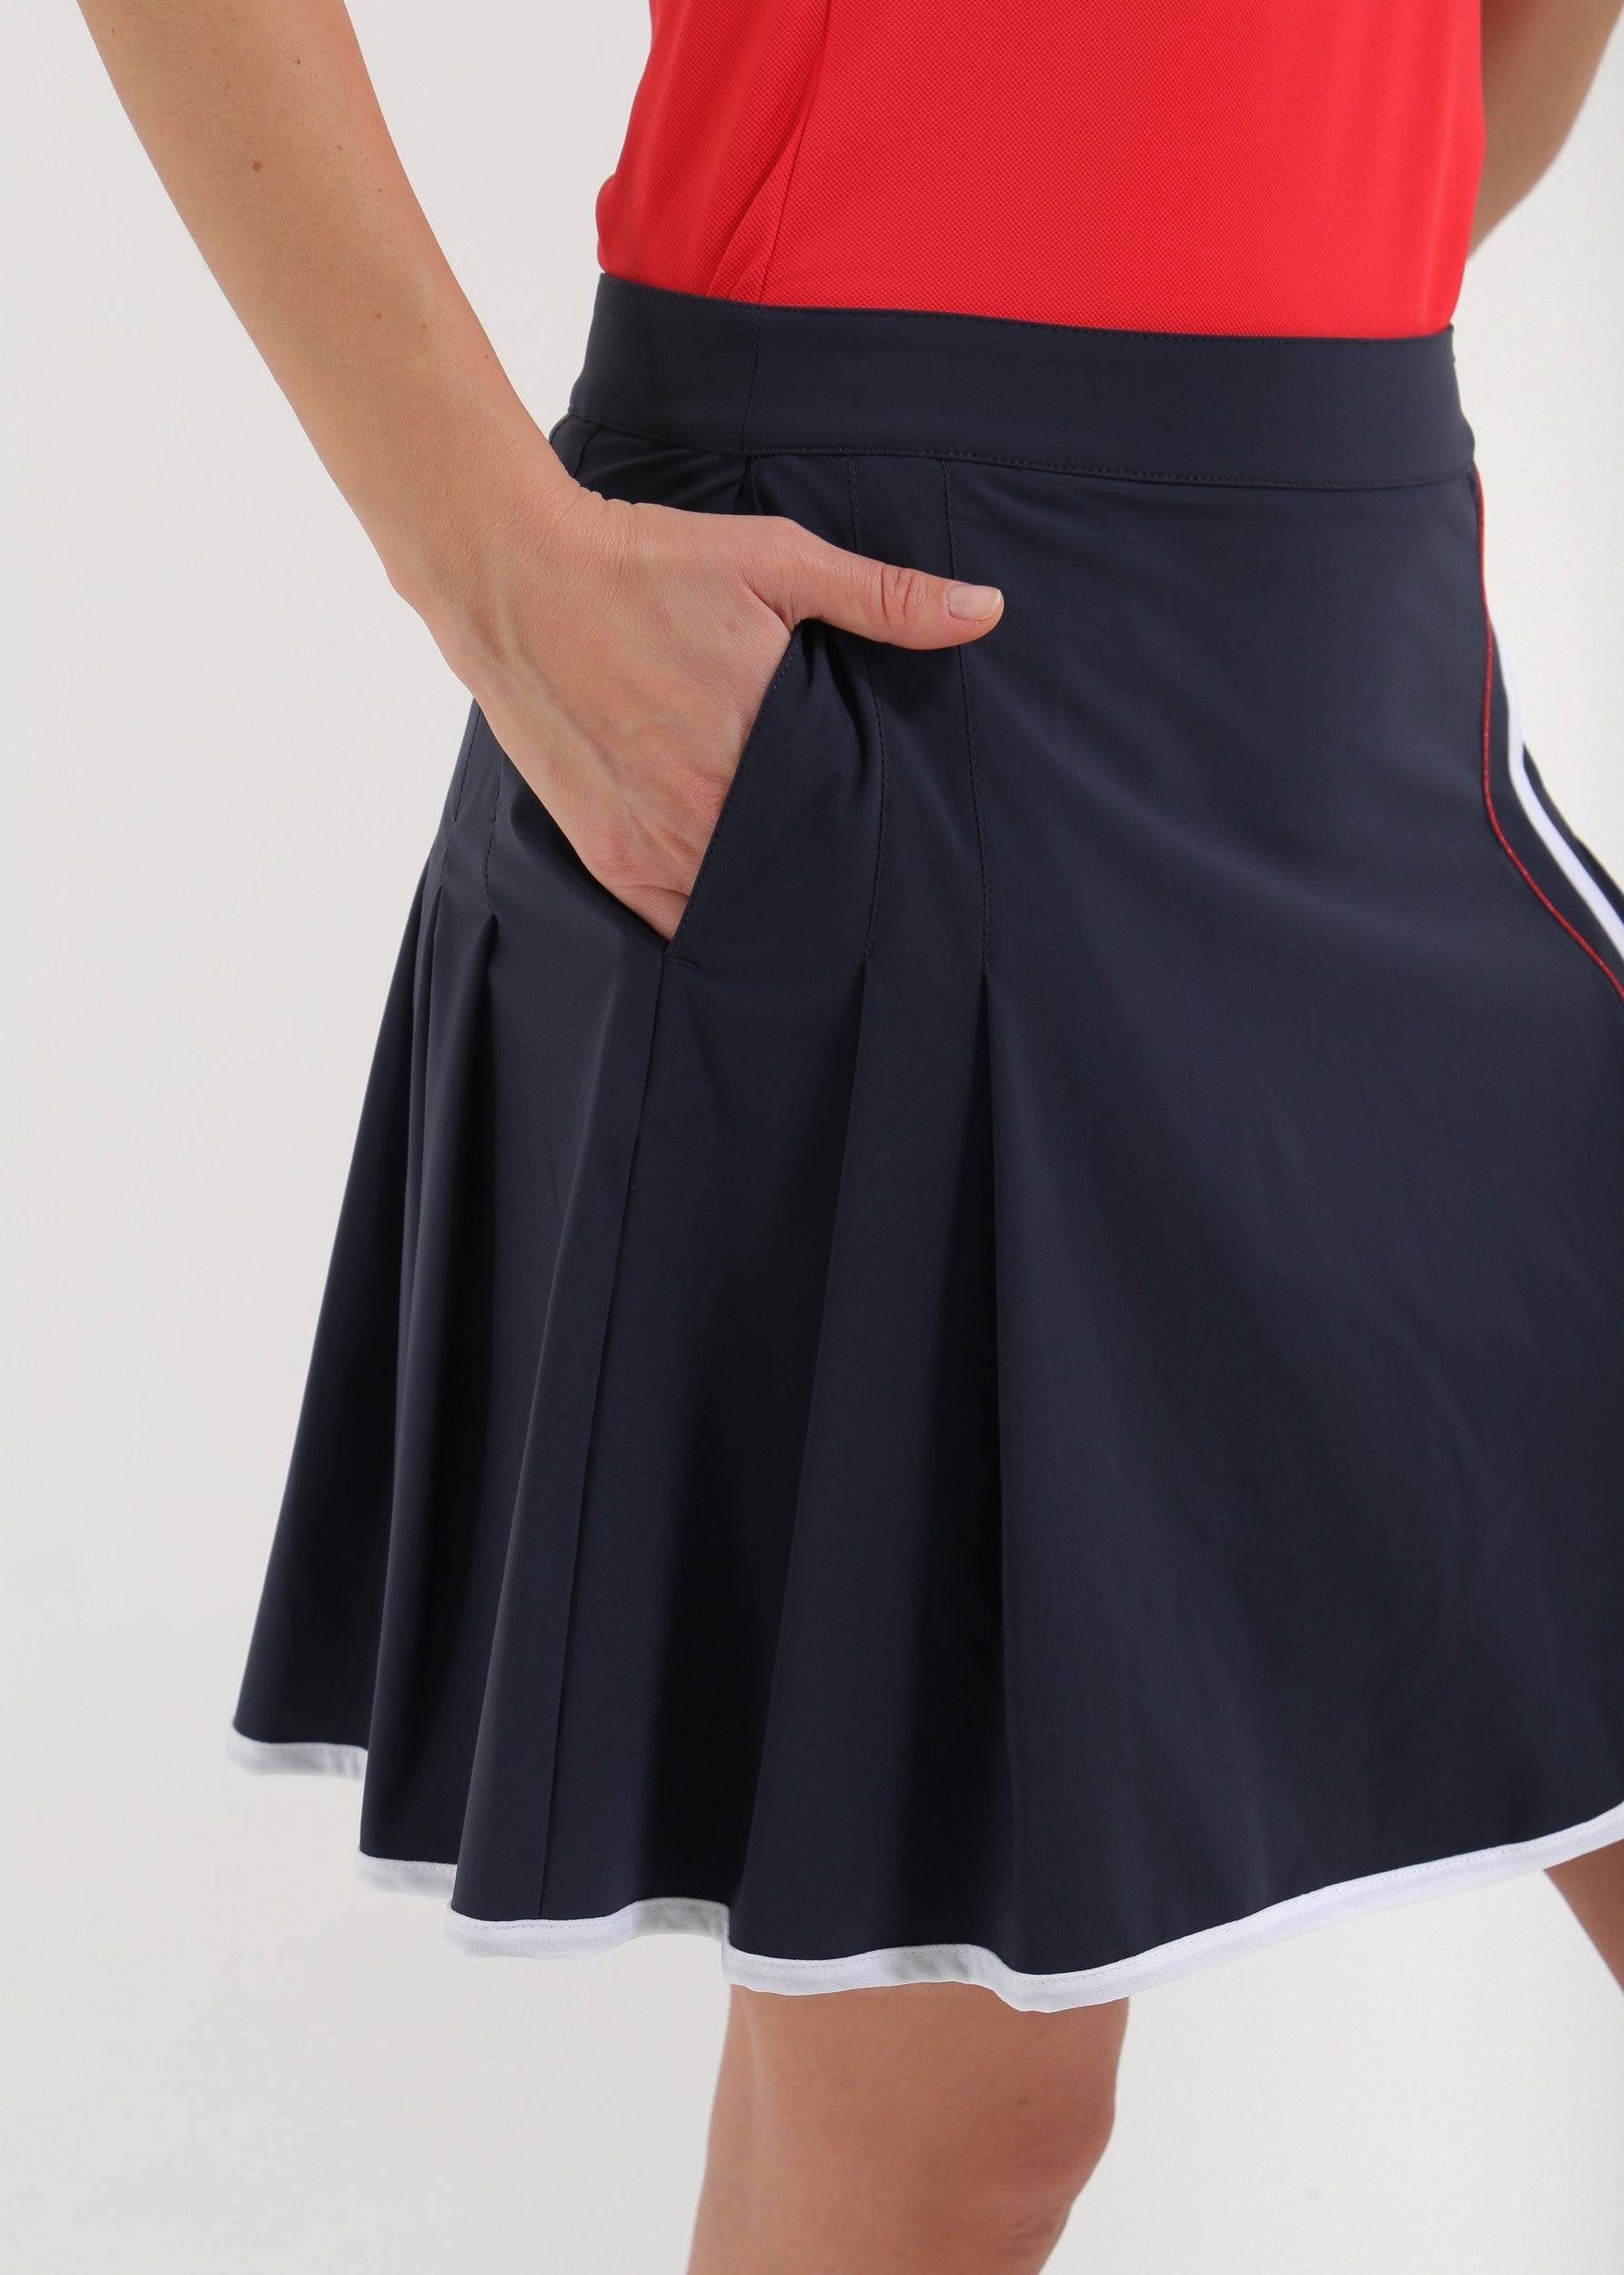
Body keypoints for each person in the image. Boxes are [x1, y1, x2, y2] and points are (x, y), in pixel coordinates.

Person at [82, 1, 1624, 2265]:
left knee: (933, 2135)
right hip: (875, 632)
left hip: (1342, 624)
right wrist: (489, 564)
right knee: (945, 2131)